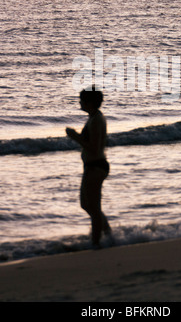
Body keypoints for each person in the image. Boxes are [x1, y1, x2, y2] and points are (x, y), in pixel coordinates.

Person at [66, 87, 111, 248]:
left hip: (96, 166)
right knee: (86, 204)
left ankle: (97, 242)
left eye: (82, 100)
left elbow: (94, 148)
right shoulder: (93, 117)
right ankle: (108, 234)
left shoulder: (97, 120)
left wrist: (75, 137)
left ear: (90, 102)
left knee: (94, 206)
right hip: (91, 166)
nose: (80, 103)